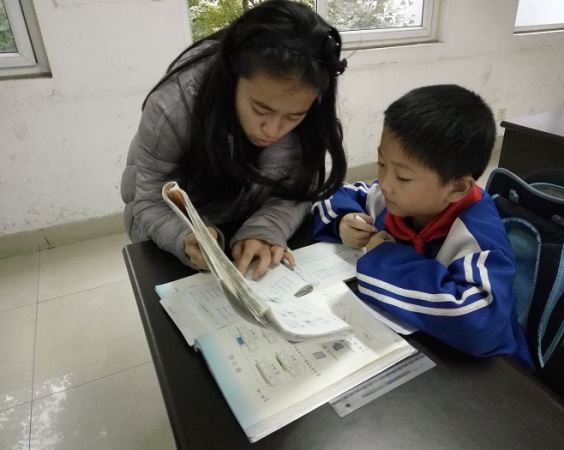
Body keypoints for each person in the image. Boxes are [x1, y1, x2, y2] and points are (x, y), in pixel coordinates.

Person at [121, 0, 347, 278]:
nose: (273, 130)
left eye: (294, 116)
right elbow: (151, 201)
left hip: (247, 214)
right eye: (260, 110)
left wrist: (264, 229)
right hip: (182, 222)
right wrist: (186, 237)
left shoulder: (310, 104)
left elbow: (300, 188)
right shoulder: (173, 106)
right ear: (232, 77)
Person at [312, 84, 532, 367]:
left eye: (403, 177)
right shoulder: (394, 199)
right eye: (381, 164)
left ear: (456, 188)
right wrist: (344, 219)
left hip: (492, 376)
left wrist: (384, 257)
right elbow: (337, 193)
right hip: (414, 344)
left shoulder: (476, 235)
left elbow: (479, 324)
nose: (386, 184)